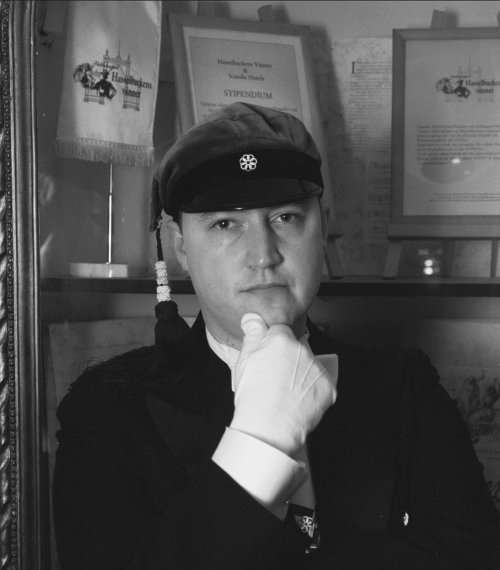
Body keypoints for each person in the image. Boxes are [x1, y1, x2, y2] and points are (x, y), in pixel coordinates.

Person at [52, 102, 500, 569]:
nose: (263, 255)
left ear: (322, 226)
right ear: (180, 245)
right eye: (225, 224)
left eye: (286, 217)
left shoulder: (404, 387)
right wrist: (260, 441)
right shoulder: (106, 408)